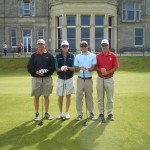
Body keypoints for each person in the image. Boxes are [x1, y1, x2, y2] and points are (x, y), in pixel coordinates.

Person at [27, 39, 55, 121]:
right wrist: (36, 72)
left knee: (46, 96)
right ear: (37, 46)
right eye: (39, 44)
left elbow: (52, 66)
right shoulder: (34, 56)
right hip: (36, 78)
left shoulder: (49, 55)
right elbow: (29, 67)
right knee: (36, 96)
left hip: (47, 78)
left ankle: (46, 112)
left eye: (42, 44)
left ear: (44, 45)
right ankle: (37, 113)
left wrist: (47, 71)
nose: (40, 45)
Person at [96, 39, 119, 121]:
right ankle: (101, 113)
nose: (105, 46)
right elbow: (96, 67)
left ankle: (109, 113)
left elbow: (116, 67)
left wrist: (107, 72)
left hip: (109, 78)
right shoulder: (98, 56)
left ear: (109, 46)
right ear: (101, 47)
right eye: (103, 45)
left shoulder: (113, 55)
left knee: (110, 97)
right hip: (100, 79)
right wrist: (100, 70)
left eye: (106, 45)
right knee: (100, 98)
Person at [74, 41, 97, 121]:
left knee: (89, 96)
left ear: (88, 46)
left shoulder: (93, 55)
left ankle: (91, 112)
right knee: (79, 96)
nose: (84, 47)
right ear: (80, 47)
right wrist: (80, 68)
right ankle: (80, 114)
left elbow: (94, 67)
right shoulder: (77, 56)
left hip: (88, 79)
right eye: (82, 46)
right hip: (80, 79)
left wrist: (87, 69)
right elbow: (76, 69)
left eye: (85, 45)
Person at [55, 40, 75, 119]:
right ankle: (60, 112)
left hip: (69, 78)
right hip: (61, 78)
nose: (65, 47)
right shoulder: (57, 56)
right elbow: (56, 68)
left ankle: (67, 112)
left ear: (68, 47)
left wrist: (67, 68)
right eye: (63, 46)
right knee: (60, 96)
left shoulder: (72, 56)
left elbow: (74, 68)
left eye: (66, 46)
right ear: (61, 47)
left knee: (68, 95)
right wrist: (62, 69)